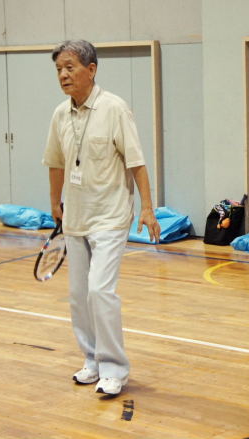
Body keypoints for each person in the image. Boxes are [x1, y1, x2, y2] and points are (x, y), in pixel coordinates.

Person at [42, 40, 161, 395]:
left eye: (70, 67)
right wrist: (55, 203)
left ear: (91, 69)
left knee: (100, 291)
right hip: (75, 218)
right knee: (79, 297)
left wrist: (148, 208)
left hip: (110, 216)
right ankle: (92, 360)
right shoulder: (60, 114)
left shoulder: (114, 108)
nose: (63, 75)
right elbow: (55, 163)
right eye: (59, 69)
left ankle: (114, 368)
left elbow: (136, 162)